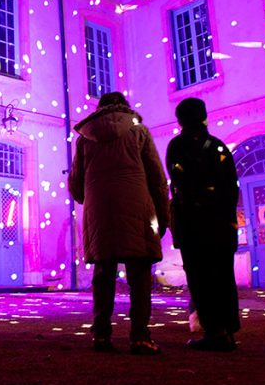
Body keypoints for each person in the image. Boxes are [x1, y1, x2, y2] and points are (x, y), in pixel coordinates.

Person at [69, 92, 170, 355]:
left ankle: (101, 335)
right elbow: (157, 179)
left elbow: (76, 186)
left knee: (103, 275)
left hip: (100, 211)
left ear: (99, 110)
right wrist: (163, 216)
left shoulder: (84, 139)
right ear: (125, 108)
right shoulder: (139, 132)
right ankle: (139, 336)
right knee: (139, 276)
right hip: (137, 208)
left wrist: (92, 196)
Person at [165, 97, 240, 351]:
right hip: (220, 222)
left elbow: (177, 182)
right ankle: (227, 329)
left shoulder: (177, 146)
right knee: (222, 276)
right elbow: (231, 188)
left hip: (193, 223)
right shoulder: (218, 147)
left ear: (180, 120)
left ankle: (215, 331)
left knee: (200, 277)